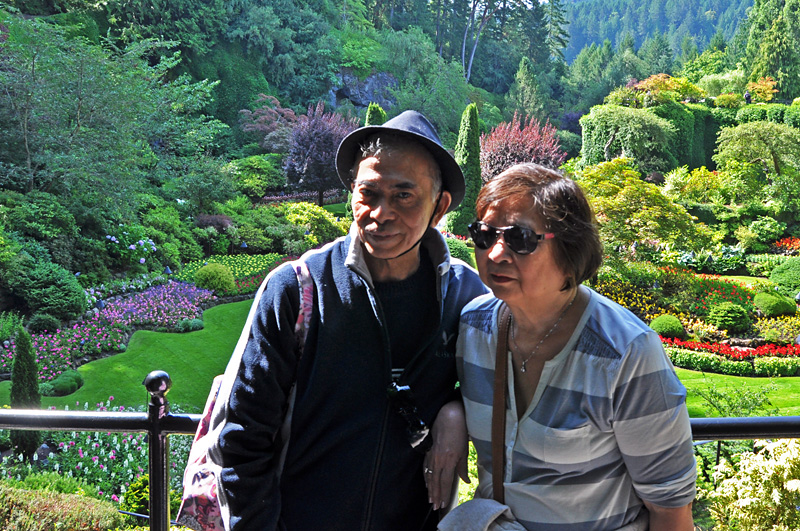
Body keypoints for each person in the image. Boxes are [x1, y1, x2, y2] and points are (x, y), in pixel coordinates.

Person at [207, 110, 488, 531]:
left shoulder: (466, 299)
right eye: (367, 192)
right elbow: (240, 437)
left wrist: (455, 410)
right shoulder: (298, 289)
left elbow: (511, 396)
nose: (380, 213)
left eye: (403, 196)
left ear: (439, 204)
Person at [455, 163, 696, 530]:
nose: (496, 253)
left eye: (520, 239)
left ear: (569, 251)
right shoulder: (474, 328)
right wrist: (450, 414)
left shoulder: (624, 353)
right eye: (484, 235)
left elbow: (670, 511)